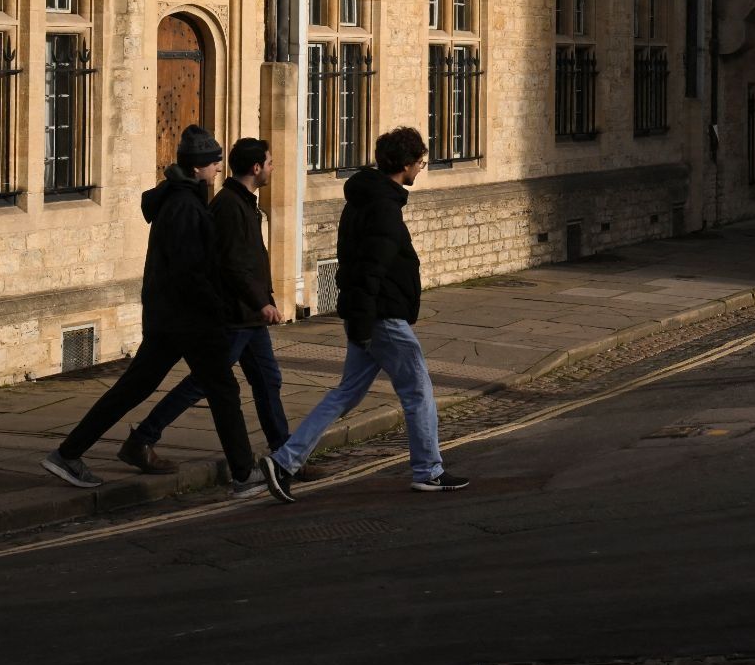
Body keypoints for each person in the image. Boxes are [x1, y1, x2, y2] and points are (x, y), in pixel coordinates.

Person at [41, 126, 269, 499]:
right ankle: (244, 475)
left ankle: (67, 454)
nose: (217, 170)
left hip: (170, 319)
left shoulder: (180, 200)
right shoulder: (184, 206)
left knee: (133, 389)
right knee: (223, 391)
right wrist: (216, 307)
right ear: (198, 168)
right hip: (189, 320)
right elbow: (189, 271)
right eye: (213, 164)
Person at [261, 127, 467, 499]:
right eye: (420, 163)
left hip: (367, 315)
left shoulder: (361, 200)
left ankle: (284, 461)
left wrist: (358, 320)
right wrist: (365, 322)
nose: (421, 169)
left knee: (346, 394)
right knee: (418, 391)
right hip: (383, 318)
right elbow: (371, 269)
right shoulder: (384, 208)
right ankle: (429, 470)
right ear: (404, 164)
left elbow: (351, 265)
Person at [116, 138, 327, 480]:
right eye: (270, 162)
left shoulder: (240, 202)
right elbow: (230, 265)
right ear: (256, 168)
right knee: (205, 383)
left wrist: (264, 299)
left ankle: (285, 455)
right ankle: (142, 438)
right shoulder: (229, 206)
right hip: (234, 316)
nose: (273, 168)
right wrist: (262, 302)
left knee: (268, 380)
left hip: (249, 317)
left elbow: (249, 260)